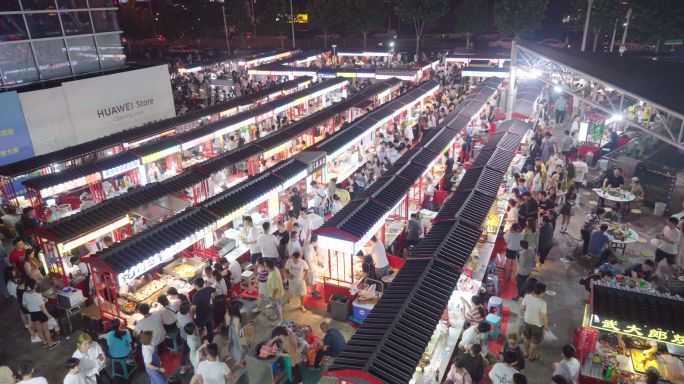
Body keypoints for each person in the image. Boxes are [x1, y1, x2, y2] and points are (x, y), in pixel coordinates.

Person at [22, 278, 59, 348]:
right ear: (34, 286)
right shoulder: (37, 295)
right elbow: (42, 307)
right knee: (46, 330)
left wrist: (30, 309)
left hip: (33, 314)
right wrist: (49, 315)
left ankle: (44, 342)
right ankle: (51, 344)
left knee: (39, 329)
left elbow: (24, 305)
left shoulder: (25, 294)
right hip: (41, 313)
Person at [521, 282, 549, 361]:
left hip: (527, 320)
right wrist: (546, 327)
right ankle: (531, 355)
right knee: (535, 340)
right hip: (537, 324)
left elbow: (522, 308)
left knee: (526, 337)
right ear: (542, 293)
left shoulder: (527, 297)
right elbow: (543, 317)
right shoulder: (543, 303)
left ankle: (526, 353)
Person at [191, 278, 215, 343]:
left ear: (196, 285)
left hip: (201, 316)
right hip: (209, 312)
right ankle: (210, 341)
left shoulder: (195, 296)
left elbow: (193, 309)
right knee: (210, 328)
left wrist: (192, 318)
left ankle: (200, 343)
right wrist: (211, 296)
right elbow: (217, 291)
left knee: (199, 330)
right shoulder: (208, 289)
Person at [226, 301, 248, 368]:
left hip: (230, 332)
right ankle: (238, 362)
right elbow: (237, 331)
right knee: (240, 348)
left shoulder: (226, 314)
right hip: (237, 335)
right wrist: (245, 327)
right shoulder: (237, 319)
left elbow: (227, 324)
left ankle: (240, 360)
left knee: (234, 348)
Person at [177, 301, 195, 374]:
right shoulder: (188, 319)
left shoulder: (178, 313)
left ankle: (183, 365)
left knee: (185, 351)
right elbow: (192, 327)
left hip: (183, 335)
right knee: (191, 349)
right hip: (189, 337)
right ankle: (183, 367)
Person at [266, 258, 284, 323]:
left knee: (277, 308)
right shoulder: (275, 269)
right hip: (279, 293)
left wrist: (273, 296)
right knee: (278, 306)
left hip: (276, 295)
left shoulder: (273, 275)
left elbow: (276, 288)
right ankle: (277, 316)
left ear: (268, 267)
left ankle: (279, 320)